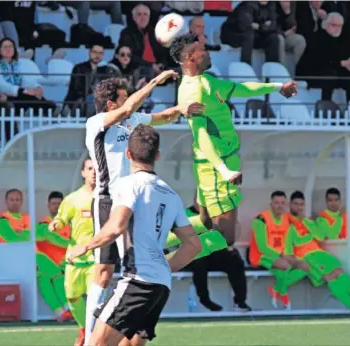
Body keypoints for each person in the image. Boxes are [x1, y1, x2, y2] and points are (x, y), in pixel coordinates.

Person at [84, 73, 204, 345]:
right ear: (112, 104)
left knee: (140, 269)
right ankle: (89, 335)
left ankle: (133, 329)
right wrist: (154, 81)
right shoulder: (97, 124)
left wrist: (181, 110)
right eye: (124, 97)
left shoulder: (132, 122)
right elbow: (129, 108)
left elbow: (162, 117)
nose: (130, 103)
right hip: (108, 201)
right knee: (103, 272)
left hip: (136, 202)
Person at [169, 33, 297, 255]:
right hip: (217, 168)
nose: (207, 51)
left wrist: (278, 87)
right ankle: (159, 262)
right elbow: (201, 135)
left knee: (206, 223)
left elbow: (243, 89)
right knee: (226, 237)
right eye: (202, 49)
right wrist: (224, 170)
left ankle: (155, 243)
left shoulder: (206, 82)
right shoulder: (193, 90)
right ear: (190, 56)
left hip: (214, 165)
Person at [168, 193, 251, 312]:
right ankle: (204, 299)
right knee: (199, 260)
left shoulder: (215, 214)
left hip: (211, 253)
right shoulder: (185, 215)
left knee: (234, 259)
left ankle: (240, 301)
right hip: (192, 255)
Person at [48, 158, 96, 346]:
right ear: (83, 172)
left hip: (97, 259)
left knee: (95, 300)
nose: (94, 172)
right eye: (90, 169)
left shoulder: (106, 197)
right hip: (75, 260)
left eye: (96, 169)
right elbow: (61, 218)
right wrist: (56, 224)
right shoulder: (72, 199)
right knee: (72, 297)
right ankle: (84, 328)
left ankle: (95, 335)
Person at [287, 191, 350, 309]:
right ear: (290, 205)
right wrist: (310, 236)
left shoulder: (308, 220)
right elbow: (296, 242)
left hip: (320, 253)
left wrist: (305, 221)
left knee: (339, 272)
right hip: (307, 256)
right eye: (296, 204)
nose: (299, 207)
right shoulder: (288, 222)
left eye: (301, 204)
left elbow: (320, 236)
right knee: (330, 276)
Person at [249, 191, 309, 309]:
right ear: (271, 204)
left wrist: (289, 256)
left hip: (280, 256)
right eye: (276, 202)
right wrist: (282, 256)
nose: (279, 205)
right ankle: (284, 295)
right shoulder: (261, 219)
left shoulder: (287, 220)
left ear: (286, 204)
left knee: (304, 266)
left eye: (282, 203)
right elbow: (262, 247)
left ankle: (277, 289)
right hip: (261, 256)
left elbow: (291, 242)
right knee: (284, 265)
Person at [36, 191, 73, 322]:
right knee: (50, 277)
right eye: (53, 203)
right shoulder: (43, 224)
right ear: (48, 206)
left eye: (59, 204)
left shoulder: (70, 224)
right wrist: (74, 244)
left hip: (68, 263)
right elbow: (54, 239)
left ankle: (68, 311)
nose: (56, 206)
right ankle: (64, 311)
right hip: (51, 264)